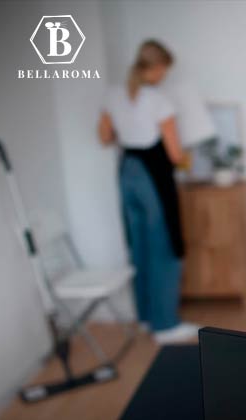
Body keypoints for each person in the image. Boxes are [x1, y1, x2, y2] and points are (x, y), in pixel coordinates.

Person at [98, 39, 198, 344]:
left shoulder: (114, 95)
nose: (165, 76)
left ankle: (145, 318)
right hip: (153, 175)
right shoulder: (158, 100)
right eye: (165, 69)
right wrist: (184, 159)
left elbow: (104, 137)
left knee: (139, 245)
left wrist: (128, 129)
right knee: (164, 246)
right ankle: (165, 324)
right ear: (155, 68)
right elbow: (174, 153)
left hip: (127, 170)